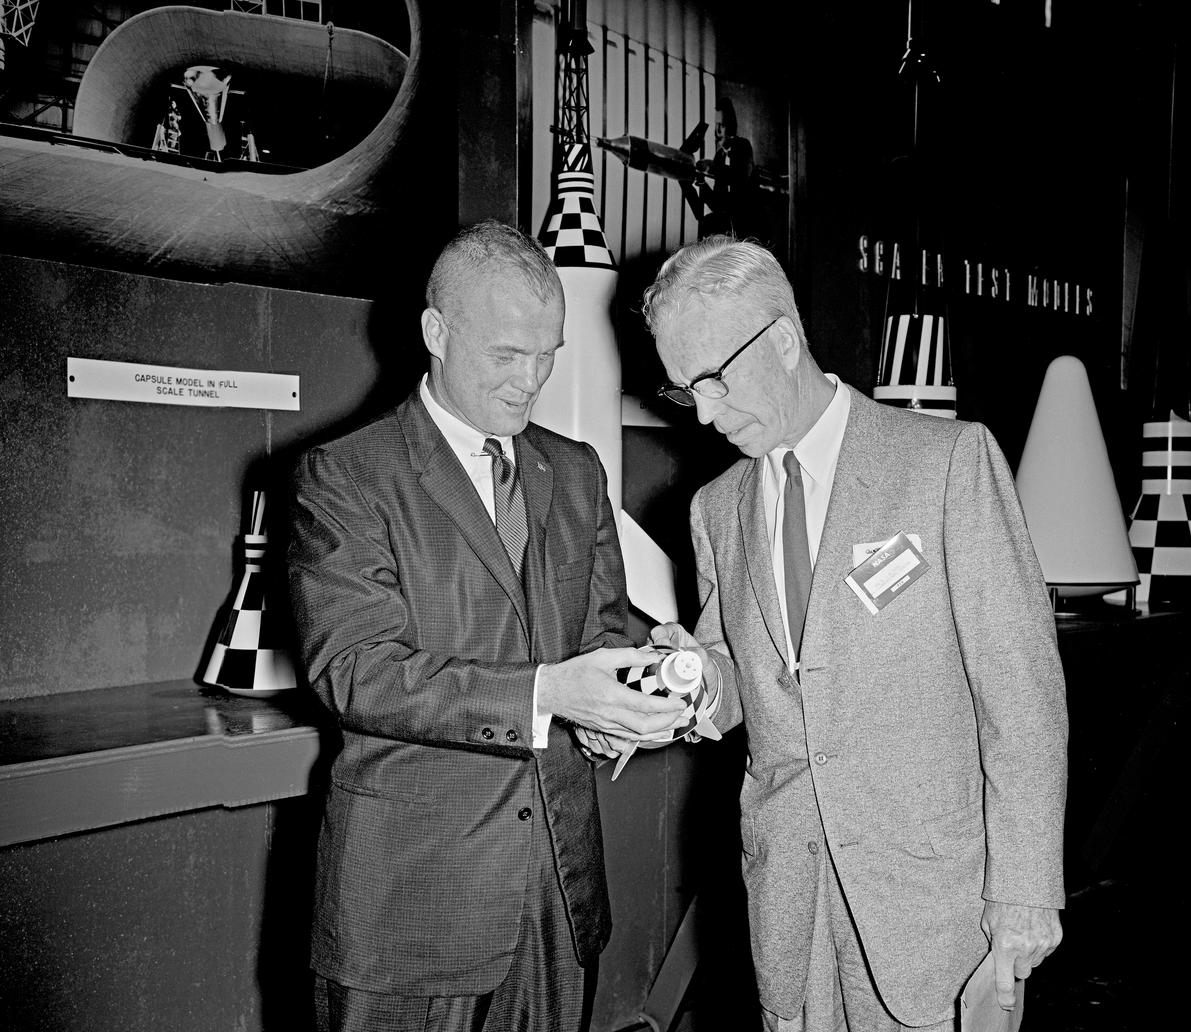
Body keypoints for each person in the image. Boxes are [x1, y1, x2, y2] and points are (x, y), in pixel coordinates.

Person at [635, 236, 1068, 1030]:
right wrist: (692, 680)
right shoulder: (716, 508)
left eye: (714, 380)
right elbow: (741, 677)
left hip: (934, 914)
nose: (703, 412)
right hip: (790, 909)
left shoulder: (945, 463)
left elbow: (1022, 694)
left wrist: (1026, 888)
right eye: (682, 389)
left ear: (782, 340)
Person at [287, 219, 688, 1032]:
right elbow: (356, 670)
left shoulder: (575, 471)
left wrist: (633, 691)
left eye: (547, 355)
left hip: (556, 900)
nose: (530, 380)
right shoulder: (348, 475)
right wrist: (550, 696)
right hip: (413, 907)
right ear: (436, 333)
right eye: (507, 354)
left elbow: (599, 636)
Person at [697, 97, 757, 239]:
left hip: (746, 221)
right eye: (716, 125)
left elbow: (740, 178)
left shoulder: (743, 146)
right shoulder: (719, 156)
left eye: (722, 125)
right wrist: (702, 184)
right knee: (705, 226)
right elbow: (717, 204)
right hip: (727, 223)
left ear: (731, 126)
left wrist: (712, 168)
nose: (717, 131)